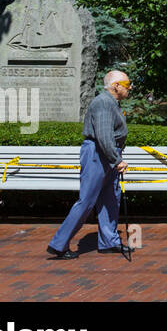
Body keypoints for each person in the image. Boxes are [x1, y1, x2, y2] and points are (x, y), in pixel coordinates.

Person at [47, 70, 132, 259]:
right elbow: (103, 136)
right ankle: (59, 244)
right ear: (116, 86)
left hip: (106, 154)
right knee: (86, 201)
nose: (130, 88)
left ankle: (109, 242)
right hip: (98, 154)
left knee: (110, 198)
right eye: (127, 85)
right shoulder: (103, 103)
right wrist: (116, 160)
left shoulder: (112, 103)